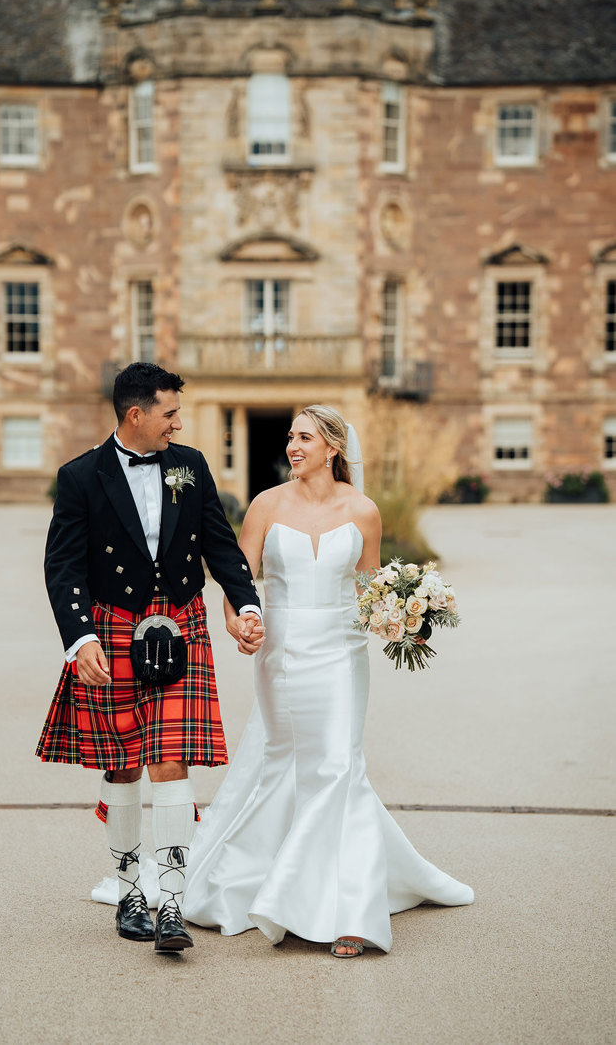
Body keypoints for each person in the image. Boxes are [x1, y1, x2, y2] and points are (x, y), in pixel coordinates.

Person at [182, 405, 474, 957]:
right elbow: (237, 579)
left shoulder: (363, 511)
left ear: (332, 448)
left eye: (304, 438)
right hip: (281, 652)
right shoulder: (266, 505)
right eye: (291, 437)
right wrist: (239, 621)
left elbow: (368, 589)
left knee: (339, 766)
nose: (292, 446)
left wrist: (404, 614)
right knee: (286, 761)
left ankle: (350, 913)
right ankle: (273, 880)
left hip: (342, 653)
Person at [36, 362, 263, 953]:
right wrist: (79, 638)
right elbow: (63, 565)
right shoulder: (81, 476)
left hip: (179, 623)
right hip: (111, 627)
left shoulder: (190, 465)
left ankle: (170, 901)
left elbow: (219, 540)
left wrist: (245, 604)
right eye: (169, 413)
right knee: (122, 764)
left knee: (169, 761)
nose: (177, 424)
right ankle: (130, 886)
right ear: (136, 414)